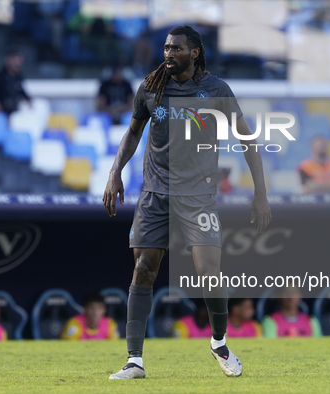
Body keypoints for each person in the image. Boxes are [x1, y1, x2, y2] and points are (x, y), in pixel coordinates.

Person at [103, 25, 271, 379]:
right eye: (165, 48)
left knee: (209, 274)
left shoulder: (215, 90)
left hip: (198, 196)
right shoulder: (151, 87)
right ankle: (134, 360)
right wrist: (115, 171)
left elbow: (247, 137)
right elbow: (133, 132)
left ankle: (219, 342)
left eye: (176, 49)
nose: (168, 54)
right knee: (144, 269)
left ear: (194, 53)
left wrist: (260, 191)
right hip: (155, 194)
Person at [0, 50, 31, 117]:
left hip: (13, 109)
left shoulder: (18, 77)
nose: (18, 64)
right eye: (15, 62)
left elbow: (19, 89)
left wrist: (28, 99)